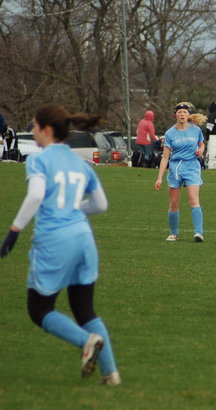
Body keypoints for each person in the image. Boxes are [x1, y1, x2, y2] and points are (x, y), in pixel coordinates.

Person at [0, 104, 120, 385]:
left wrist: (14, 230)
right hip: (84, 238)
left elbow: (35, 196)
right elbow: (101, 204)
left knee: (39, 309)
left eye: (34, 126)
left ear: (46, 129)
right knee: (84, 309)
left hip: (55, 239)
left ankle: (86, 341)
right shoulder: (79, 162)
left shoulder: (38, 160)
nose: (32, 131)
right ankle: (110, 374)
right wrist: (74, 208)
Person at [154, 102, 207, 242]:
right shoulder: (170, 133)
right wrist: (159, 178)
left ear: (189, 114)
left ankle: (198, 233)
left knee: (193, 199)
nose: (182, 114)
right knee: (174, 203)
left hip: (192, 166)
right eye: (179, 112)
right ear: (175, 115)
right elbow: (165, 157)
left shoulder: (196, 130)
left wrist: (201, 150)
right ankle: (174, 234)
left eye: (185, 112)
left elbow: (201, 144)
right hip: (176, 168)